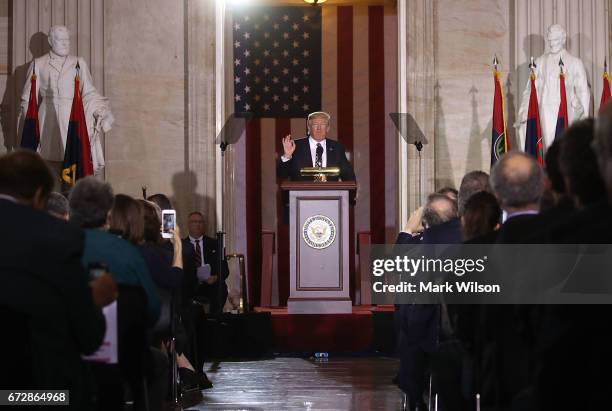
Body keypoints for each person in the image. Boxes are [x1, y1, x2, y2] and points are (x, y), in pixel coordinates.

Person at [0, 150, 116, 410]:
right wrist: (93, 299)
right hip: (37, 393)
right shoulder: (56, 236)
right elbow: (89, 336)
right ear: (40, 195)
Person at [19, 25, 114, 173]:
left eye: (67, 40)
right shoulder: (38, 63)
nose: (65, 43)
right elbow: (27, 100)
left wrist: (99, 111)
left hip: (72, 118)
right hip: (46, 121)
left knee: (73, 167)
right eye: (60, 40)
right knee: (47, 169)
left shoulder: (78, 63)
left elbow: (89, 92)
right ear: (50, 41)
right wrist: (30, 132)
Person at [69, 176, 161, 325]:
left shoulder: (56, 246)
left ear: (72, 209)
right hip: (121, 339)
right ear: (108, 213)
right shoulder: (127, 251)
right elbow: (153, 308)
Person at [517, 24, 590, 149]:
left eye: (555, 40)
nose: (552, 44)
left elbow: (583, 91)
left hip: (566, 112)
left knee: (563, 150)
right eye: (550, 41)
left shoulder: (575, 63)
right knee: (542, 149)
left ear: (563, 40)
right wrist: (524, 110)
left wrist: (583, 117)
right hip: (543, 112)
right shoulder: (539, 62)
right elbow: (529, 90)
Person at [277, 111, 356, 181]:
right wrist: (287, 156)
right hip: (301, 196)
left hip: (330, 196)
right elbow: (282, 175)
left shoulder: (337, 148)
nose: (319, 128)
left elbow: (349, 178)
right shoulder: (295, 146)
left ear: (328, 128)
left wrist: (351, 197)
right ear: (309, 127)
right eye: (315, 125)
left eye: (322, 125)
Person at [184, 211, 229, 314]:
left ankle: (214, 319)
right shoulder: (181, 245)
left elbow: (225, 270)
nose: (198, 224)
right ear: (188, 225)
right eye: (194, 222)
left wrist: (216, 277)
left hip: (210, 283)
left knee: (220, 287)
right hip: (190, 284)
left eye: (200, 222)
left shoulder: (215, 244)